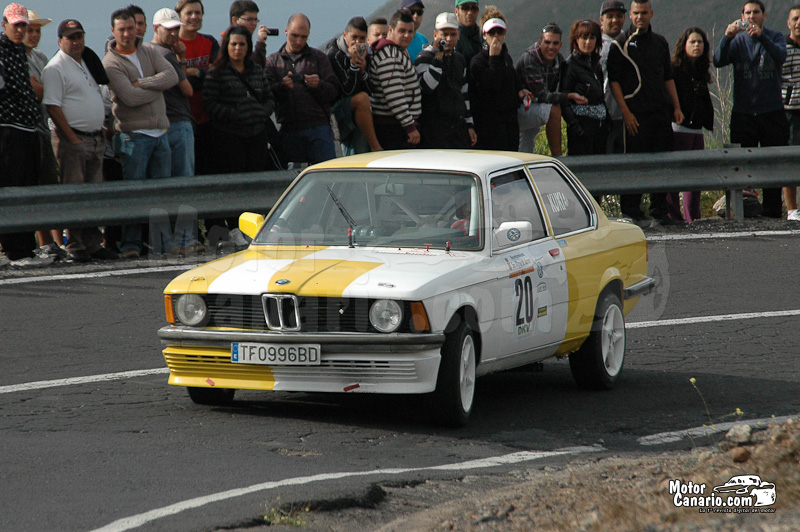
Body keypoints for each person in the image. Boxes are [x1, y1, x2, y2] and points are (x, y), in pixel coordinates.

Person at [103, 8, 179, 259]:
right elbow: (129, 97)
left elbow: (171, 76)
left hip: (160, 133)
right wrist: (156, 86)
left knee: (162, 196)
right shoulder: (111, 62)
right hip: (134, 137)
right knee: (134, 196)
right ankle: (131, 245)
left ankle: (161, 244)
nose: (127, 33)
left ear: (137, 28)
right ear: (113, 31)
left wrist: (144, 82)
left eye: (131, 27)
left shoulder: (147, 50)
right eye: (121, 29)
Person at [42, 18, 118, 262]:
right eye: (70, 37)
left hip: (95, 139)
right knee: (74, 195)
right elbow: (52, 106)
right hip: (73, 140)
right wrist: (72, 139)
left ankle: (93, 243)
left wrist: (102, 128)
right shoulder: (55, 68)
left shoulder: (87, 62)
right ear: (60, 41)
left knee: (93, 196)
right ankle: (75, 245)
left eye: (79, 36)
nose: (76, 42)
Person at [607, 0, 683, 225]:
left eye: (644, 13)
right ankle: (632, 212)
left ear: (651, 14)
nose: (640, 17)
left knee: (663, 163)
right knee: (635, 165)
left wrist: (677, 107)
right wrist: (626, 112)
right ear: (630, 15)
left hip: (661, 114)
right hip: (635, 116)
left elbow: (667, 76)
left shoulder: (660, 42)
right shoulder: (620, 43)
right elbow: (615, 81)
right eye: (636, 13)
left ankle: (660, 211)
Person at [714, 1, 788, 219]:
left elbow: (780, 56)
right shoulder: (737, 41)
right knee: (741, 165)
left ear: (764, 16)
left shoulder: (775, 37)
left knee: (771, 166)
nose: (752, 16)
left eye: (756, 12)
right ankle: (743, 209)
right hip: (744, 113)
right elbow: (718, 60)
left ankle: (773, 211)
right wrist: (726, 37)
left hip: (771, 111)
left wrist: (761, 37)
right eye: (748, 13)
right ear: (742, 16)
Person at [0, 3, 51, 267]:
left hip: (27, 129)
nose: (20, 30)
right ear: (4, 25)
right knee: (12, 189)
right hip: (8, 131)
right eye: (16, 25)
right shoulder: (1, 50)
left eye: (23, 25)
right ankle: (17, 252)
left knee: (25, 188)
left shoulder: (19, 51)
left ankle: (23, 250)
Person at [265, 14, 338, 166]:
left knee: (326, 175)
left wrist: (319, 85)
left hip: (318, 127)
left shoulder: (319, 57)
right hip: (289, 129)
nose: (298, 41)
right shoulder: (273, 61)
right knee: (293, 180)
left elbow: (334, 91)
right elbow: (266, 94)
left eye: (304, 37)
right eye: (294, 35)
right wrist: (282, 87)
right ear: (286, 31)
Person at [23, 9, 65, 260]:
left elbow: (48, 89)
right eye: (30, 30)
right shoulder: (18, 57)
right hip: (29, 130)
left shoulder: (39, 56)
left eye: (38, 30)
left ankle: (57, 243)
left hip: (43, 127)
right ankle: (45, 242)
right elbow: (42, 91)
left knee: (50, 185)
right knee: (36, 187)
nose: (35, 35)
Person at [516, 23, 588, 156]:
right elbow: (542, 96)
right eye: (547, 42)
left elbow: (557, 91)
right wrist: (570, 96)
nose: (551, 47)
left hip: (532, 108)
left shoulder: (559, 60)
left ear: (560, 46)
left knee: (525, 153)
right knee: (553, 110)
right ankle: (558, 159)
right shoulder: (530, 59)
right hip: (518, 110)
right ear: (540, 42)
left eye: (555, 43)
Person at [669, 27, 713, 222]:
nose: (697, 45)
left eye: (700, 42)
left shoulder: (701, 69)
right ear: (683, 45)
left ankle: (692, 218)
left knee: (695, 178)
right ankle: (674, 217)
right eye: (693, 42)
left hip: (697, 131)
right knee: (677, 177)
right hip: (679, 130)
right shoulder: (675, 69)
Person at [414, 12, 476, 148]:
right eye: (444, 34)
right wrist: (438, 59)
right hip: (434, 131)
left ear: (459, 35)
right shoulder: (423, 57)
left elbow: (464, 94)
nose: (448, 39)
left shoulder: (460, 59)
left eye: (452, 34)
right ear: (435, 35)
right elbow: (427, 88)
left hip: (458, 129)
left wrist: (469, 125)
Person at [469, 7, 527, 151]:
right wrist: (493, 57)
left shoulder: (506, 57)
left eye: (499, 32)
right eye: (491, 32)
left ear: (504, 33)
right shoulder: (477, 61)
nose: (496, 36)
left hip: (510, 121)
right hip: (489, 125)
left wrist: (520, 90)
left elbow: (512, 76)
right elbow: (491, 84)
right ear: (484, 35)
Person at [324, 16, 382, 155]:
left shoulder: (364, 53)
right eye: (354, 37)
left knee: (364, 104)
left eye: (362, 38)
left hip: (359, 110)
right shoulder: (333, 55)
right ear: (345, 35)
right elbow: (346, 90)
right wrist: (354, 67)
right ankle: (376, 147)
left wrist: (363, 72)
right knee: (361, 99)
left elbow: (369, 90)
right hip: (337, 113)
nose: (357, 42)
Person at [175, 0, 218, 176]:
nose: (194, 17)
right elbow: (177, 79)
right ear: (179, 17)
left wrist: (196, 73)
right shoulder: (174, 45)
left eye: (198, 13)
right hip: (182, 118)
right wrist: (191, 75)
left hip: (207, 117)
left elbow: (218, 73)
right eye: (189, 13)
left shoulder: (209, 42)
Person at [369, 8, 422, 150]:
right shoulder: (389, 56)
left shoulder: (397, 51)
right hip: (393, 129)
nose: (407, 35)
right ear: (391, 30)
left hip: (397, 126)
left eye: (410, 32)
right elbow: (394, 95)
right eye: (402, 31)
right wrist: (410, 127)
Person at [562, 20, 607, 158]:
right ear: (576, 39)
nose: (588, 42)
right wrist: (576, 128)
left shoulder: (596, 64)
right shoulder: (570, 65)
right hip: (581, 128)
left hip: (599, 128)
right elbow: (563, 98)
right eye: (584, 38)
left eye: (592, 38)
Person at [599, 0, 626, 154]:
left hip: (627, 116)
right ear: (602, 19)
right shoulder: (594, 44)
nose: (615, 20)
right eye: (610, 16)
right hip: (604, 116)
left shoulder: (629, 41)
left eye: (619, 16)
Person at [783, 5, 800, 221]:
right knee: (789, 161)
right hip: (789, 112)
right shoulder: (782, 48)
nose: (799, 22)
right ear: (788, 23)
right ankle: (792, 209)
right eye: (795, 18)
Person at [454, 0, 481, 70]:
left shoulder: (485, 35)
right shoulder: (453, 39)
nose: (470, 12)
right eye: (465, 8)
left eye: (474, 8)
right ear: (456, 11)